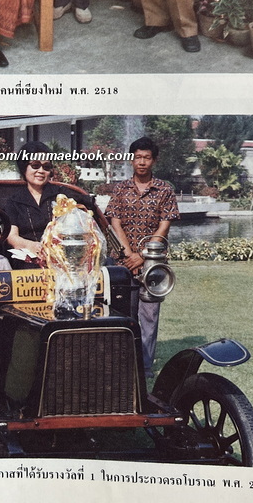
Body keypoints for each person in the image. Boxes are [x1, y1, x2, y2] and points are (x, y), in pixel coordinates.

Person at [106, 136, 180, 378]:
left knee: (149, 315)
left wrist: (142, 256)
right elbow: (115, 223)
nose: (142, 162)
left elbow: (164, 227)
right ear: (131, 159)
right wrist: (129, 255)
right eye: (138, 157)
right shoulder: (120, 189)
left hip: (152, 264)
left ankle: (145, 367)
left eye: (147, 157)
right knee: (122, 313)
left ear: (154, 160)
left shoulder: (165, 190)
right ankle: (122, 364)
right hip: (121, 262)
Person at [4, 140, 92, 267]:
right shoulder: (14, 201)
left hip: (63, 258)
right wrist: (32, 246)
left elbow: (84, 215)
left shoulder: (63, 194)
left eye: (46, 167)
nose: (41, 171)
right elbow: (12, 237)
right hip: (27, 259)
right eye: (35, 165)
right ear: (24, 167)